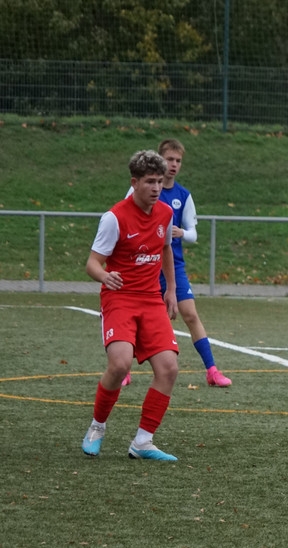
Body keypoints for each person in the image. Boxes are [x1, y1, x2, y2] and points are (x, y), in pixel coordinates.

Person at [81, 150, 181, 462]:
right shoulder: (114, 218)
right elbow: (92, 263)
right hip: (120, 298)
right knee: (120, 364)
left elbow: (165, 250)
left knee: (169, 368)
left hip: (151, 299)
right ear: (134, 182)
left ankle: (143, 441)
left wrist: (171, 290)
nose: (156, 187)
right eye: (150, 181)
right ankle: (97, 427)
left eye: (160, 181)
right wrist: (105, 276)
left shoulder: (165, 213)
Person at [122, 138, 232, 388]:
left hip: (173, 266)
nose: (173, 165)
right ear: (159, 160)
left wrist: (181, 232)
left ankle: (212, 371)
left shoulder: (183, 195)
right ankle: (124, 371)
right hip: (144, 265)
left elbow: (193, 233)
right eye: (169, 159)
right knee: (137, 318)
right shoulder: (140, 190)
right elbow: (124, 217)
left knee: (190, 314)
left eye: (178, 161)